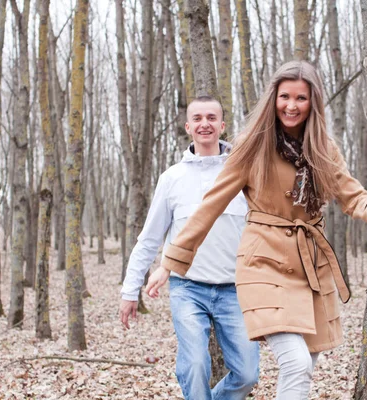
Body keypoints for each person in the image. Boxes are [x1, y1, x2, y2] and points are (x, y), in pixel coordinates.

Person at [146, 61, 367, 399]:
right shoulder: (252, 146)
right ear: (273, 99)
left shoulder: (324, 148)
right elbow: (210, 207)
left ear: (313, 103)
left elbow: (351, 195)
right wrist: (169, 263)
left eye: (301, 98)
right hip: (264, 263)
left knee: (306, 362)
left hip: (311, 269)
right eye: (285, 97)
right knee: (294, 362)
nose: (291, 105)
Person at [120, 96, 259, 400]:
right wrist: (130, 290)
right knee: (195, 365)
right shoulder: (172, 179)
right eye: (197, 118)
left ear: (222, 125)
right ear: (188, 127)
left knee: (248, 374)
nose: (205, 124)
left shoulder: (243, 174)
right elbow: (150, 238)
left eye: (212, 118)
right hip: (187, 287)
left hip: (236, 289)